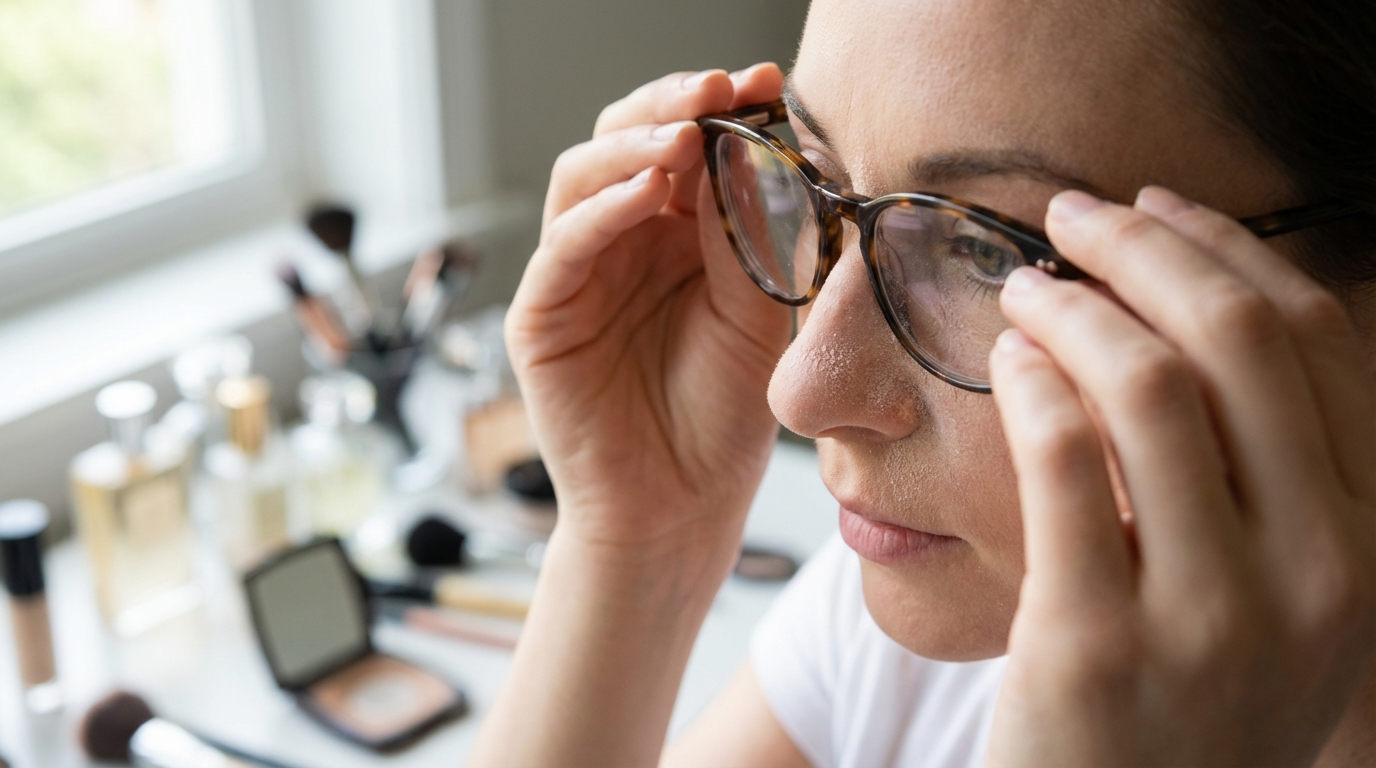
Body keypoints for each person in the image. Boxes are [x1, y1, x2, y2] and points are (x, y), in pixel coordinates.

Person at [468, 0, 1376, 765]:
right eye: (817, 175)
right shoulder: (922, 626)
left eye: (987, 251)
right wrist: (636, 548)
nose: (800, 392)